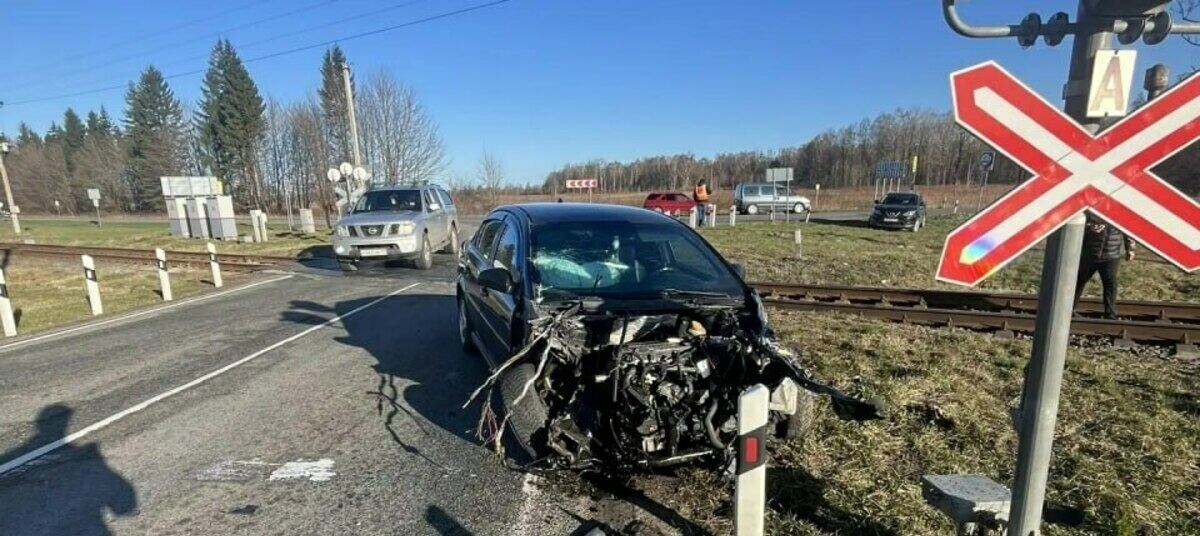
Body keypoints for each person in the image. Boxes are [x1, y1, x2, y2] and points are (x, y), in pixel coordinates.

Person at [1074, 213, 1135, 319]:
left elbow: (1128, 230)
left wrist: (1130, 249)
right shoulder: (1091, 210)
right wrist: (1090, 227)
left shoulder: (1120, 211)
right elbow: (1078, 223)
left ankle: (1110, 313)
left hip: (1111, 255)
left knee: (1110, 283)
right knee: (1079, 281)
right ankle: (1070, 309)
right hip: (1090, 253)